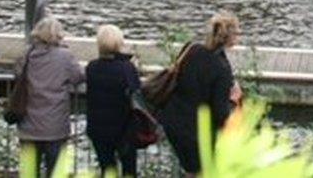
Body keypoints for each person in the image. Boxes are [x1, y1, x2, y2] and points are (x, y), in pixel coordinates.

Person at [160, 12, 241, 175]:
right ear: (229, 37)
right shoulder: (222, 69)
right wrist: (233, 100)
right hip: (196, 132)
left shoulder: (191, 49)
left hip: (173, 122)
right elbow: (220, 113)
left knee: (191, 170)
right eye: (237, 32)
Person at [16, 17, 85, 177]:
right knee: (55, 171)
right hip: (55, 127)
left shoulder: (27, 54)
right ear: (58, 36)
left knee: (29, 172)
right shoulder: (65, 56)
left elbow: (18, 73)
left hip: (28, 125)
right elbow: (79, 76)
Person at [86, 25, 140, 177]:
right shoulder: (126, 68)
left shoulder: (92, 67)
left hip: (99, 128)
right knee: (129, 169)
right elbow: (135, 89)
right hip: (124, 128)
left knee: (107, 168)